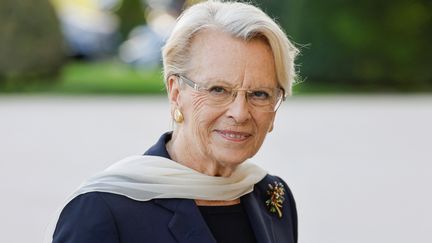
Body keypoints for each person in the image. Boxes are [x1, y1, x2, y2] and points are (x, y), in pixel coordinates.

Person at [49, 1, 299, 242]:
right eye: (218, 89)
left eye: (260, 94)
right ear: (176, 93)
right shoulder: (103, 209)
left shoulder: (273, 196)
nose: (240, 112)